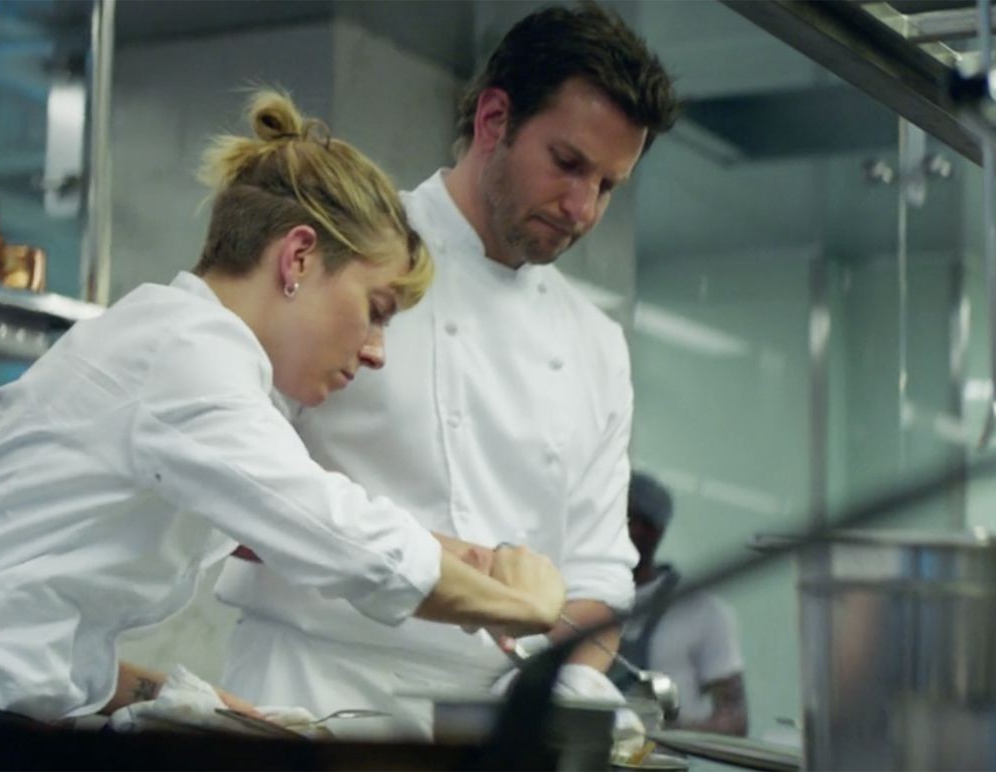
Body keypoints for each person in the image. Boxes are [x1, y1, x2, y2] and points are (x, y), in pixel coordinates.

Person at [0, 90, 568, 770]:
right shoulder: (185, 347)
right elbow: (332, 531)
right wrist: (525, 610)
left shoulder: (177, 359)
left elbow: (43, 619)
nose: (376, 352)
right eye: (375, 310)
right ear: (299, 256)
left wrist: (194, 703)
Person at [216, 4, 682, 737]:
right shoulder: (345, 255)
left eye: (607, 186)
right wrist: (433, 567)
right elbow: (234, 490)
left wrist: (562, 692)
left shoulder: (596, 344)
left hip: (494, 722)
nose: (582, 208)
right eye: (567, 164)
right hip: (306, 692)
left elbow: (596, 577)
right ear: (494, 119)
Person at [611, 473, 748, 736]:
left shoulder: (701, 611)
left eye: (626, 520)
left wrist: (663, 736)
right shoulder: (578, 599)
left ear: (653, 531)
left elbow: (734, 720)